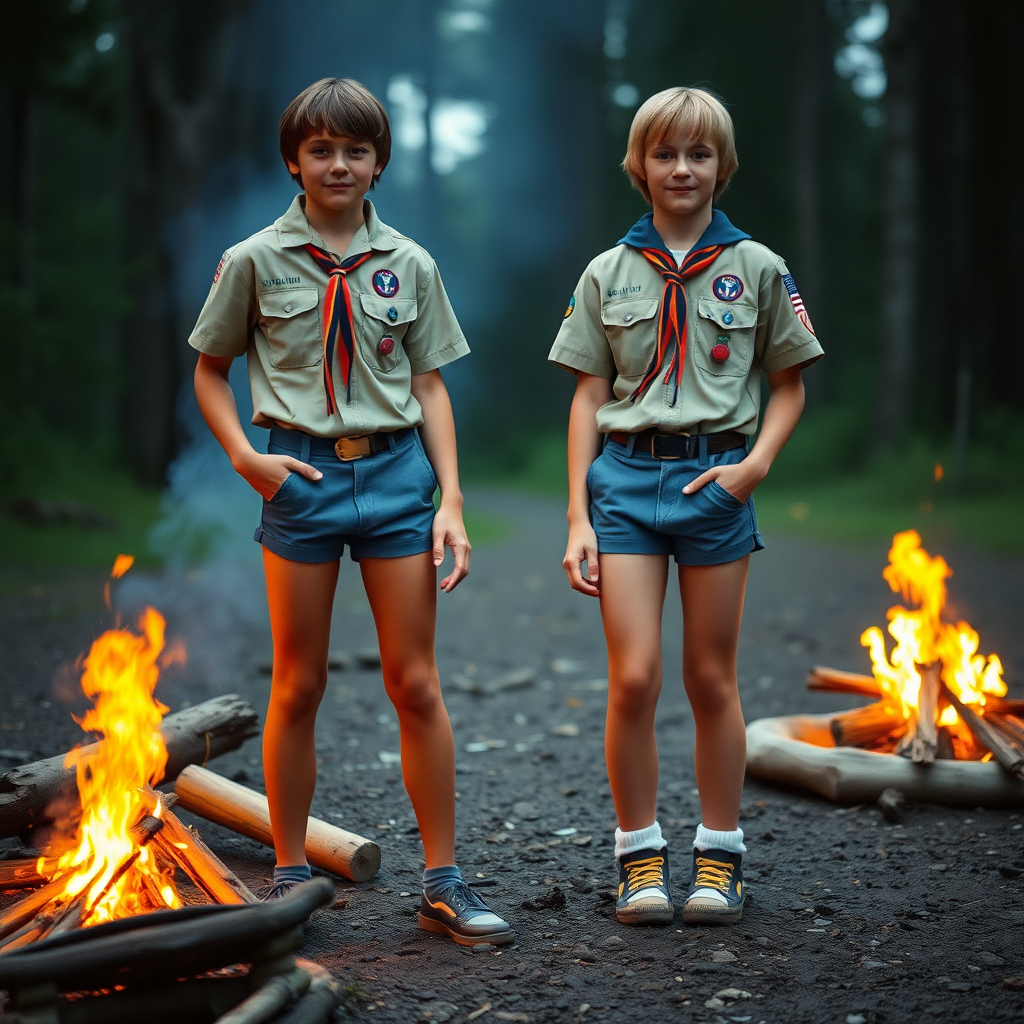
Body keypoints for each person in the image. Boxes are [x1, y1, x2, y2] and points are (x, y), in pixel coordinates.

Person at [190, 77, 513, 946]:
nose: (339, 163)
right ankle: (291, 877)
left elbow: (431, 385)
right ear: (294, 160)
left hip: (398, 479)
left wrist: (451, 499)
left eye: (356, 150)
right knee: (299, 683)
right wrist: (244, 455)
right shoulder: (253, 259)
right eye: (322, 148)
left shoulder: (409, 263)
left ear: (379, 163)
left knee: (416, 683)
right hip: (299, 481)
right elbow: (210, 371)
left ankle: (443, 882)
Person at [549, 87, 822, 927]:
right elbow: (589, 396)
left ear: (722, 167)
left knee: (711, 678)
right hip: (627, 483)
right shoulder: (607, 273)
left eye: (698, 155)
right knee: (633, 676)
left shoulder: (761, 268)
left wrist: (755, 469)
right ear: (640, 166)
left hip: (716, 483)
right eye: (665, 153)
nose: (682, 168)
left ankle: (719, 857)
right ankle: (638, 856)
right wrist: (577, 517)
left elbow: (787, 385)